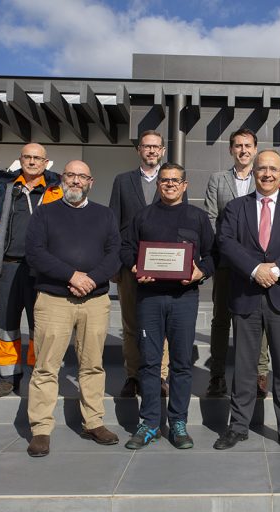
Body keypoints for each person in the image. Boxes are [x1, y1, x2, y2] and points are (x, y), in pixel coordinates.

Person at [213, 149, 280, 453]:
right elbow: (226, 242)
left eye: (273, 169)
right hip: (246, 294)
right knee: (244, 365)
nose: (267, 174)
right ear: (253, 172)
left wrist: (278, 269)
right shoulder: (236, 207)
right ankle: (238, 426)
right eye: (261, 169)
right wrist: (256, 269)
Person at [24, 160, 122, 457]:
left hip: (94, 300)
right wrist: (72, 276)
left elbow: (115, 253)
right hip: (54, 300)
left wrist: (91, 279)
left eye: (81, 177)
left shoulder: (104, 215)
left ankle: (93, 422)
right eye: (70, 175)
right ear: (61, 179)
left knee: (92, 365)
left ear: (90, 181)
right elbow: (35, 253)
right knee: (46, 367)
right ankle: (41, 429)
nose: (75, 181)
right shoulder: (44, 213)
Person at [120, 163, 215, 450]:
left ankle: (178, 422)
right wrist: (135, 265)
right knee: (149, 362)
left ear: (185, 185)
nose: (170, 184)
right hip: (149, 298)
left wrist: (202, 272)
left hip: (184, 299)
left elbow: (213, 254)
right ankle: (149, 423)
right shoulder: (143, 216)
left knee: (182, 363)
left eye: (175, 180)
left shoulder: (197, 217)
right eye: (164, 180)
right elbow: (125, 248)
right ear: (158, 184)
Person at [0, 143, 63, 398]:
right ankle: (8, 378)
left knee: (41, 326)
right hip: (9, 267)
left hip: (42, 271)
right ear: (20, 159)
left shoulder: (56, 190)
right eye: (27, 157)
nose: (32, 161)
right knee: (7, 325)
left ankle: (40, 374)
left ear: (45, 162)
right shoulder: (6, 189)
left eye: (37, 158)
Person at [203, 128, 271, 398]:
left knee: (259, 319)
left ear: (255, 149)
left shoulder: (263, 177)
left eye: (248, 145)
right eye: (238, 146)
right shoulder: (218, 180)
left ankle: (260, 374)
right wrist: (229, 252)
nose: (243, 150)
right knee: (221, 320)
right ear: (231, 150)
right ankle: (217, 376)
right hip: (227, 264)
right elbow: (211, 219)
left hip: (258, 265)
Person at [109, 130, 170, 398]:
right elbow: (113, 225)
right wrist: (115, 265)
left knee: (162, 324)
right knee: (131, 325)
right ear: (139, 151)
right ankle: (133, 376)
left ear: (163, 151)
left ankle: (160, 376)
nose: (152, 151)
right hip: (129, 265)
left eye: (156, 147)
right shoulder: (122, 181)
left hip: (164, 265)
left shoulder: (170, 180)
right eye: (147, 146)